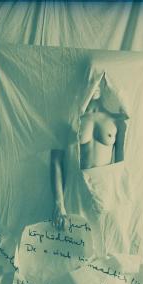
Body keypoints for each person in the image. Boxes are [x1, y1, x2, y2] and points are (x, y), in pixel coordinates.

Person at [51, 77, 128, 230]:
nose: (95, 84)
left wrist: (120, 201)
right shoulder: (70, 121)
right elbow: (56, 160)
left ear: (105, 83)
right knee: (78, 239)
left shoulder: (117, 121)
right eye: (90, 78)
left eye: (98, 79)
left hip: (107, 192)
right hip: (77, 188)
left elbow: (121, 166)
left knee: (109, 240)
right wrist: (59, 204)